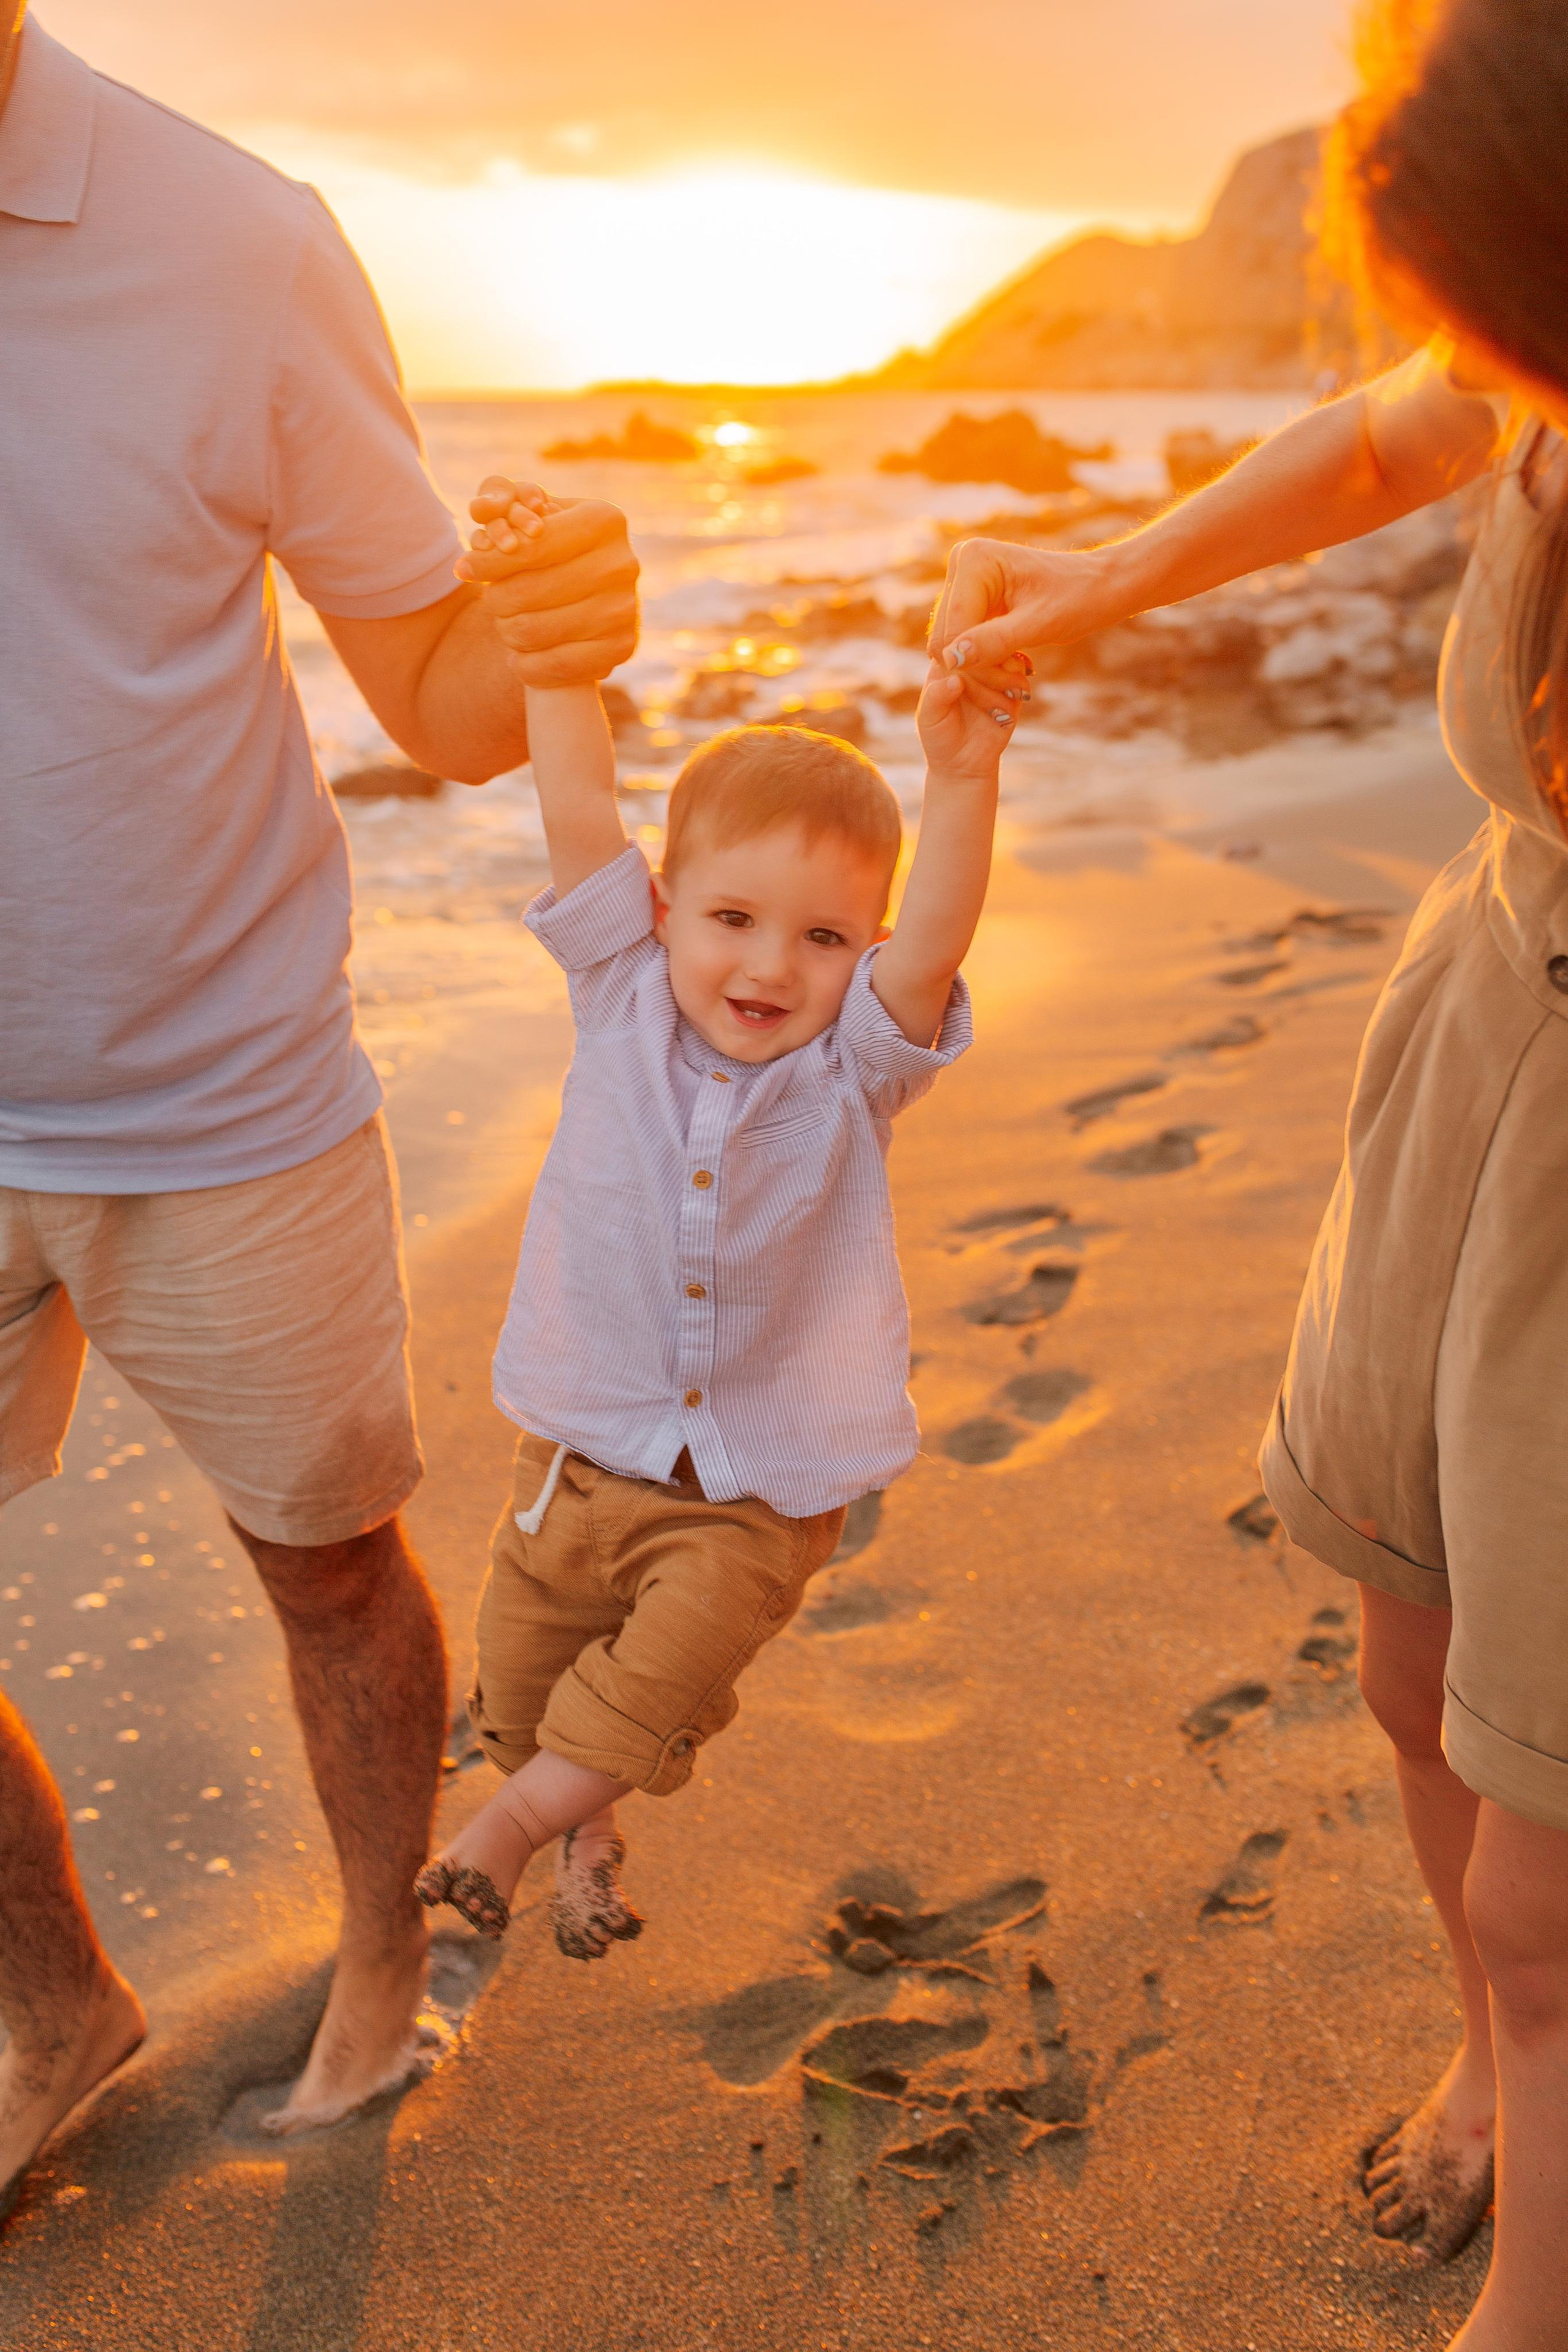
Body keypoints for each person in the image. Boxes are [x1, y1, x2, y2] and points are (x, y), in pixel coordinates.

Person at [932, 4, 1568, 2342]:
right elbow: (1386, 437)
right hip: (1487, 1025)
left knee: (1551, 1847)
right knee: (1410, 1652)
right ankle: (1499, 2059)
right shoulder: (1524, 354)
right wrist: (1091, 594)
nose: (1492, 375)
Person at [0, 8, 638, 2195]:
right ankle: (53, 2003)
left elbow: (439, 695)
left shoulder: (236, 244)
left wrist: (557, 629)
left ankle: (385, 1957)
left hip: (217, 1092)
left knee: (329, 1567)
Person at [412, 483, 1021, 1949]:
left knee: (640, 1691)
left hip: (754, 1487)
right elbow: (576, 800)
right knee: (524, 1701)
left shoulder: (855, 1067)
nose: (768, 967)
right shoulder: (617, 992)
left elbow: (939, 927)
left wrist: (963, 775)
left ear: (866, 951)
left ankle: (505, 1838)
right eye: (732, 919)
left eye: (822, 938)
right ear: (662, 906)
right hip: (581, 1449)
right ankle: (582, 1834)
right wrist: (551, 648)